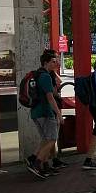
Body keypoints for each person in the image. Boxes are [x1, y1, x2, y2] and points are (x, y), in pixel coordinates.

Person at [26, 52, 62, 180]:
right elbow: (50, 97)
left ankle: (35, 161)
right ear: (46, 62)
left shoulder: (37, 74)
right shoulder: (45, 76)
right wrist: (59, 114)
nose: (55, 63)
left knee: (45, 139)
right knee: (52, 139)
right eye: (53, 61)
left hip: (35, 112)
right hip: (45, 112)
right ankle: (36, 163)